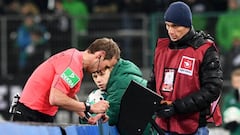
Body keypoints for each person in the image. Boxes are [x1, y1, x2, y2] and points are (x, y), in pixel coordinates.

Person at [147, 1, 223, 135]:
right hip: (162, 126)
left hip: (193, 127)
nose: (171, 31)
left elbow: (212, 89)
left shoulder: (204, 50)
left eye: (175, 26)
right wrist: (153, 104)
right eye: (167, 25)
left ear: (187, 25)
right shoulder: (161, 49)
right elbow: (153, 82)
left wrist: (177, 107)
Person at [11, 37, 120, 124]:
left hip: (39, 116)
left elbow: (68, 95)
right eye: (105, 66)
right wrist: (90, 108)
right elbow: (55, 98)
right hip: (30, 116)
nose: (102, 70)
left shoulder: (75, 60)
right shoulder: (72, 63)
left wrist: (87, 118)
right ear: (100, 55)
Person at [87, 58, 157, 134]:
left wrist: (87, 115)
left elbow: (109, 118)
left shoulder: (119, 83)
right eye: (95, 76)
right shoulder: (126, 74)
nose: (98, 80)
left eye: (102, 74)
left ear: (112, 70)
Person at [222, 68, 240, 135]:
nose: (236, 84)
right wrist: (227, 124)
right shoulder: (228, 97)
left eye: (238, 81)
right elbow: (224, 113)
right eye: (234, 81)